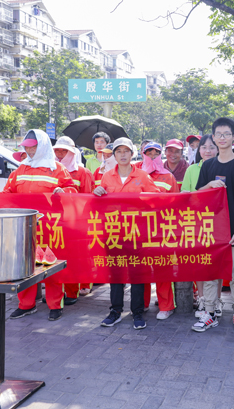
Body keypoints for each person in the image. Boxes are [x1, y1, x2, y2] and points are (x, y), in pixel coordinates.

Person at [4, 130, 77, 321]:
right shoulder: (20, 169)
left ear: (42, 145)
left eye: (33, 146)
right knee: (25, 267)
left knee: (51, 266)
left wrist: (65, 191)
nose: (29, 150)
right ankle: (26, 305)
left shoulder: (58, 169)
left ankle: (55, 304)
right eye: (26, 146)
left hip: (50, 228)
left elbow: (73, 190)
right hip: (24, 227)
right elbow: (6, 194)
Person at [193, 117, 234, 333]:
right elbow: (198, 195)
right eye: (218, 134)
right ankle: (209, 312)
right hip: (211, 230)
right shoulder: (208, 165)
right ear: (213, 136)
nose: (222, 138)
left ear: (233, 137)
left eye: (226, 134)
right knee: (211, 273)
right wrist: (209, 184)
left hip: (232, 229)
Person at [94, 137, 159, 330]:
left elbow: (155, 199)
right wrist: (96, 191)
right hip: (113, 232)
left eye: (126, 151)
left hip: (137, 233)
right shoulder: (106, 177)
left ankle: (137, 313)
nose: (122, 155)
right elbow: (98, 201)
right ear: (114, 155)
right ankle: (115, 311)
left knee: (137, 274)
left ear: (132, 154)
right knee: (116, 274)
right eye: (119, 152)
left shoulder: (143, 176)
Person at [181, 135, 221, 316]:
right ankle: (203, 300)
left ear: (218, 149)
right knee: (200, 262)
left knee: (217, 263)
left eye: (211, 147)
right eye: (203, 147)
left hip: (219, 222)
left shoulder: (224, 168)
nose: (207, 151)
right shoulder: (191, 169)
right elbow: (185, 195)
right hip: (196, 222)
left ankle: (217, 300)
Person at [140, 142, 179, 320]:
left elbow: (176, 204)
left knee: (162, 268)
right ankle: (142, 303)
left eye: (156, 153)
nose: (153, 156)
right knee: (141, 268)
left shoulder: (168, 177)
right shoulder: (136, 173)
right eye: (149, 152)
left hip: (161, 229)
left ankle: (166, 305)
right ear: (143, 154)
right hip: (138, 229)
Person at [53, 136, 95, 303]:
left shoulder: (83, 172)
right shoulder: (52, 170)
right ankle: (56, 290)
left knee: (74, 257)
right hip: (55, 221)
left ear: (73, 152)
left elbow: (88, 199)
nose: (61, 154)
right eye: (58, 150)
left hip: (75, 222)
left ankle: (73, 290)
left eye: (65, 151)